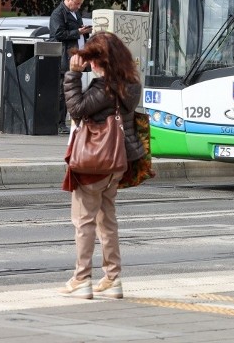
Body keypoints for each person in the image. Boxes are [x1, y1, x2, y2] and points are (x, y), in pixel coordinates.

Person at [59, 31, 146, 300]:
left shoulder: (103, 88)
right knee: (107, 219)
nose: (90, 65)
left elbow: (76, 109)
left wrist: (72, 76)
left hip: (94, 162)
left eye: (93, 60)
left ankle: (81, 279)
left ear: (101, 61)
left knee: (84, 220)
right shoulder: (131, 85)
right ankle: (112, 278)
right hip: (118, 161)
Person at [51, 0, 93, 134]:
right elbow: (58, 34)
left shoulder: (75, 13)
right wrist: (78, 32)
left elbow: (76, 31)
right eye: (76, 4)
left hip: (75, 56)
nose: (78, 7)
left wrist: (83, 30)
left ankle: (66, 120)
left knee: (72, 88)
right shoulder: (58, 13)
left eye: (80, 4)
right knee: (63, 91)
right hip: (64, 57)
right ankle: (59, 122)